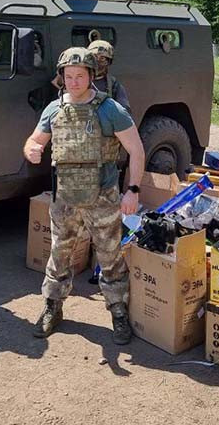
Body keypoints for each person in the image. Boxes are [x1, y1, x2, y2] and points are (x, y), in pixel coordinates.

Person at [23, 47, 146, 345]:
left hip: (102, 196)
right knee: (59, 254)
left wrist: (132, 190)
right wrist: (32, 150)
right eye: (68, 76)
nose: (74, 82)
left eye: (80, 76)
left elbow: (136, 150)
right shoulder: (54, 110)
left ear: (91, 76)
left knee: (110, 256)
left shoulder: (110, 109)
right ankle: (52, 306)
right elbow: (32, 141)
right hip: (65, 198)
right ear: (62, 78)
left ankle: (117, 310)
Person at [87, 40, 131, 113]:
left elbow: (124, 111)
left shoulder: (113, 84)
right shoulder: (78, 80)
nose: (97, 61)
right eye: (94, 57)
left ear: (108, 62)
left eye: (102, 58)